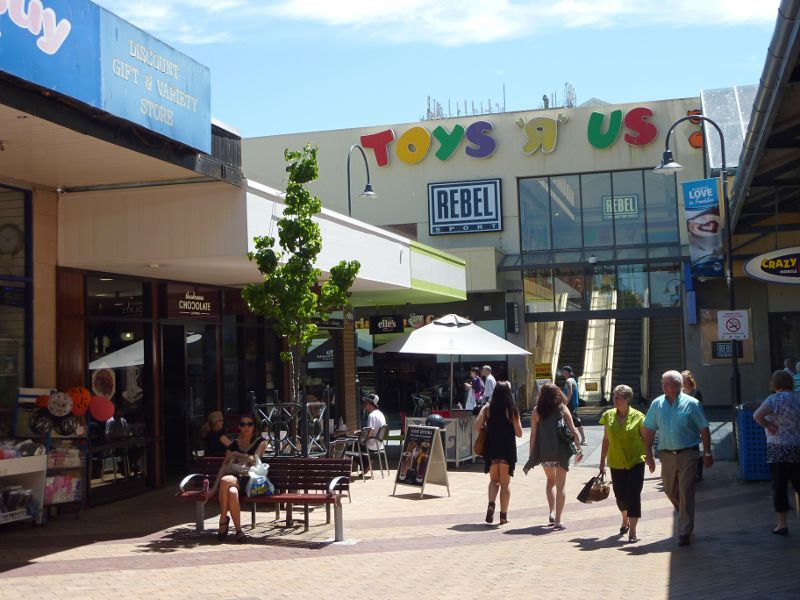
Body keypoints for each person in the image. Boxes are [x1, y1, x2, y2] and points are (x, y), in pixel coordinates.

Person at [643, 370, 713, 547]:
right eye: (662, 383)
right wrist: (649, 454)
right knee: (669, 489)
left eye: (666, 384)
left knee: (686, 491)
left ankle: (685, 531)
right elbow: (649, 429)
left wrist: (707, 452)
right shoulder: (657, 404)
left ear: (677, 385)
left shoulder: (692, 404)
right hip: (666, 455)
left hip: (688, 453)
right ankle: (684, 513)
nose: (663, 386)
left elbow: (704, 429)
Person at [525, 382, 583, 530]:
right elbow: (574, 430)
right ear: (557, 393)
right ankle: (558, 519)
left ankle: (551, 511)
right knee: (561, 485)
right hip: (561, 452)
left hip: (545, 452)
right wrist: (578, 448)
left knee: (550, 480)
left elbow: (533, 435)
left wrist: (532, 454)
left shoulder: (537, 411)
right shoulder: (562, 408)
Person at [753, 370, 800, 535]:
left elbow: (757, 415)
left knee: (779, 486)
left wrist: (769, 425)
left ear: (775, 383)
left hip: (777, 447)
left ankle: (782, 524)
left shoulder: (774, 399)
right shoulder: (797, 398)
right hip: (796, 446)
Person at [208, 413, 267, 543]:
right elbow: (224, 466)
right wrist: (213, 488)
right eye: (242, 424)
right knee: (231, 491)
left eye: (249, 424)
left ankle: (223, 521)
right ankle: (239, 530)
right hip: (233, 478)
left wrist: (236, 454)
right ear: (239, 427)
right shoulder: (234, 443)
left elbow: (254, 459)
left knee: (226, 481)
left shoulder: (261, 442)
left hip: (248, 478)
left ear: (254, 426)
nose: (246, 427)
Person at [599, 385, 647, 543]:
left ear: (627, 400)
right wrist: (602, 462)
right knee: (620, 495)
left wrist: (651, 458)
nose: (614, 399)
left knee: (634, 495)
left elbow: (646, 440)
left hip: (636, 461)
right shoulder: (608, 416)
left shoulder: (639, 416)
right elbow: (606, 440)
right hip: (616, 461)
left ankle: (632, 530)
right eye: (614, 396)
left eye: (618, 397)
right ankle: (624, 517)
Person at [473, 381, 523, 525]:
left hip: (492, 448)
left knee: (493, 481)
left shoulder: (487, 408)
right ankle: (503, 516)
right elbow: (519, 433)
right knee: (505, 484)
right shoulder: (512, 409)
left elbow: (476, 428)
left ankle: (491, 504)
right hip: (507, 448)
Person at [681, 370, 705, 481]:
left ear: (690, 381)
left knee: (694, 447)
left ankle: (698, 472)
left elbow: (699, 408)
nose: (684, 383)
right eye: (682, 380)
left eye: (686, 380)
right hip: (683, 423)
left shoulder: (696, 392)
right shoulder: (679, 393)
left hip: (694, 423)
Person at [561, 366, 587, 445]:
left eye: (564, 372)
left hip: (570, 404)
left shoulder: (569, 381)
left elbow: (570, 393)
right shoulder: (572, 380)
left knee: (573, 421)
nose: (563, 373)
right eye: (563, 371)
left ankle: (582, 439)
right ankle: (581, 439)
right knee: (573, 421)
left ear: (568, 372)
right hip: (572, 404)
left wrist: (565, 404)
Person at [361, 393, 386, 475]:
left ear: (370, 404)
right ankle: (367, 462)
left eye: (366, 402)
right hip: (379, 443)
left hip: (372, 444)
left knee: (350, 447)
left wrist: (362, 437)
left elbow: (370, 432)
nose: (364, 403)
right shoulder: (380, 414)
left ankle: (366, 464)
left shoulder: (371, 415)